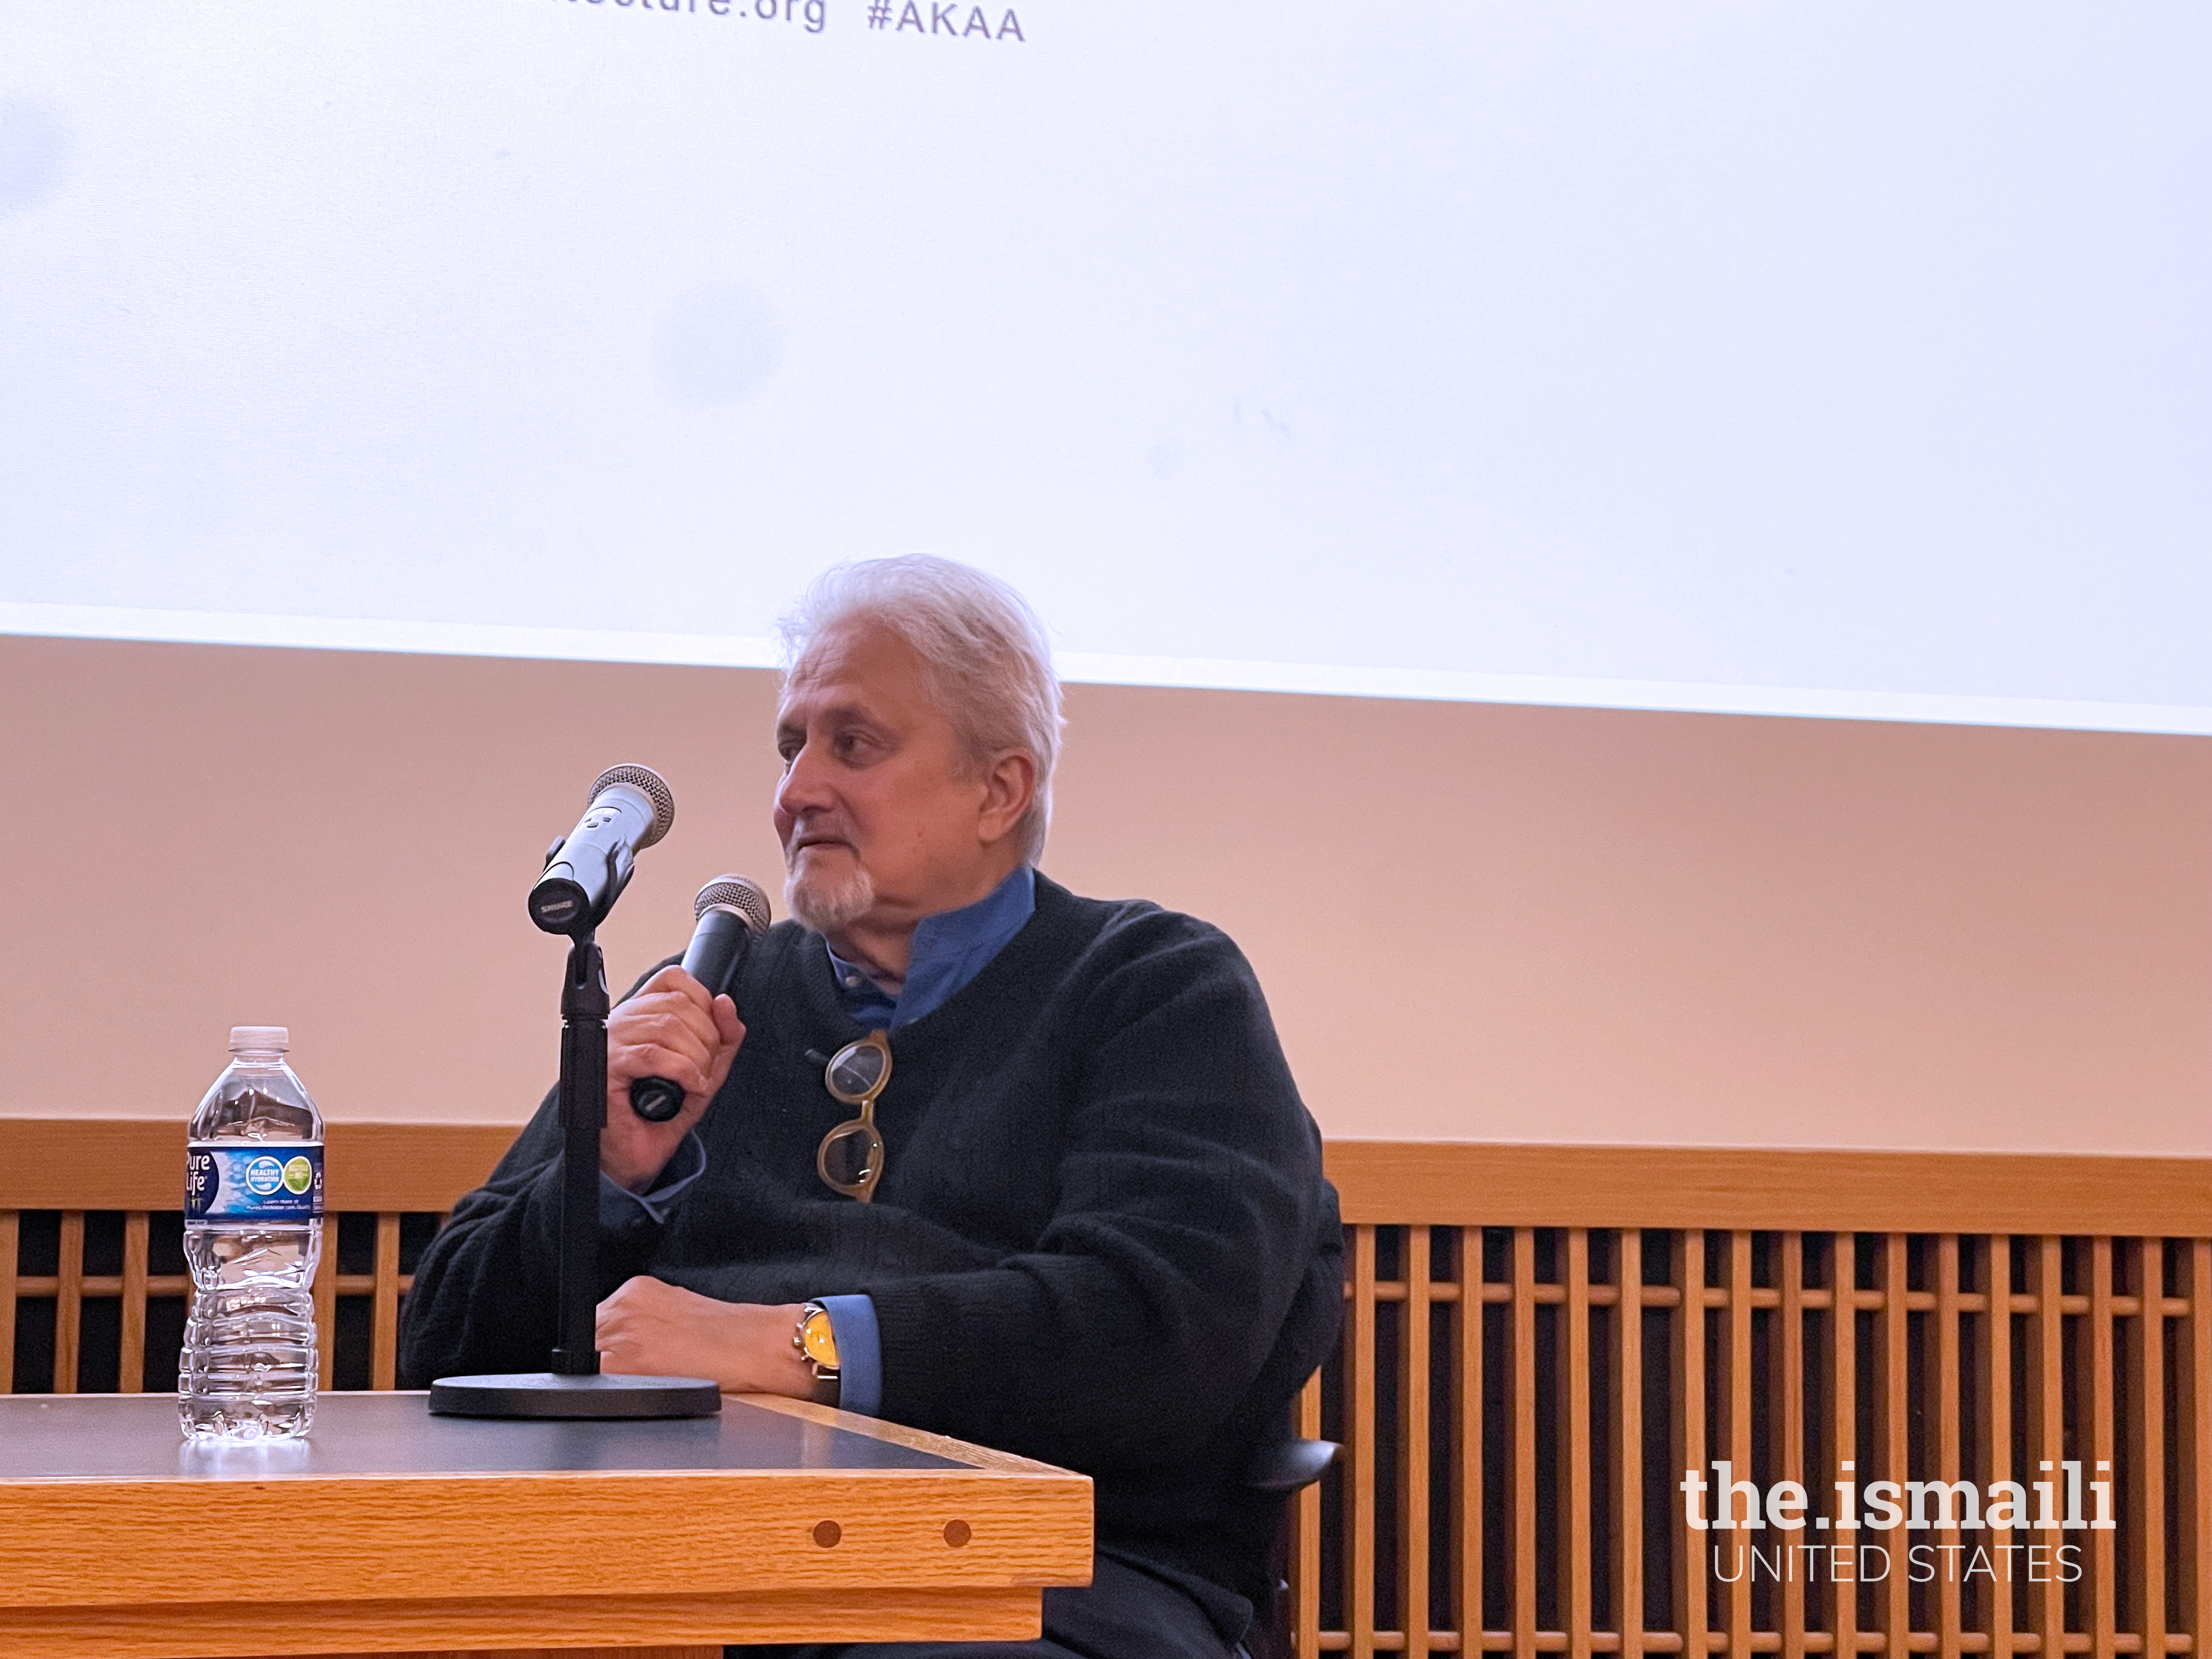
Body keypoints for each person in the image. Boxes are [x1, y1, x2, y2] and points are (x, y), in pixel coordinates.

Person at [400, 555, 1343, 1659]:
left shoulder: (1153, 984)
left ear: (1000, 789)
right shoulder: (703, 1005)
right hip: (672, 1562)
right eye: (790, 746)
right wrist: (603, 1175)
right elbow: (438, 1350)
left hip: (1048, 1578)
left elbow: (1161, 1328)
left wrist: (794, 1345)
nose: (796, 792)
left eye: (854, 745)